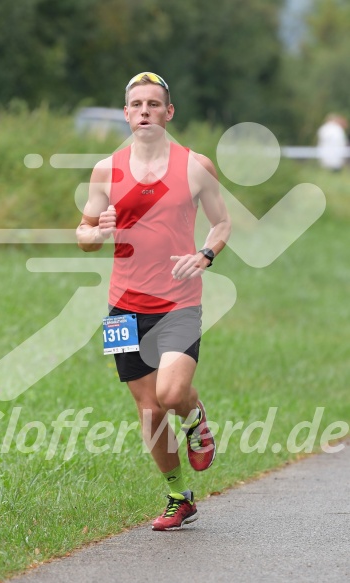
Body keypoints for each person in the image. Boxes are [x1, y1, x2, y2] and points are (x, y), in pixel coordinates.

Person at [76, 72, 231, 530]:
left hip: (178, 300)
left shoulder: (194, 166)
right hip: (123, 305)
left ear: (169, 112)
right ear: (126, 114)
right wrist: (96, 232)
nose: (145, 111)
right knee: (149, 410)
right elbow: (83, 235)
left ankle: (196, 419)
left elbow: (221, 224)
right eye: (136, 104)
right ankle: (177, 495)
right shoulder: (107, 169)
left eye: (153, 104)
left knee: (171, 393)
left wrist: (205, 254)